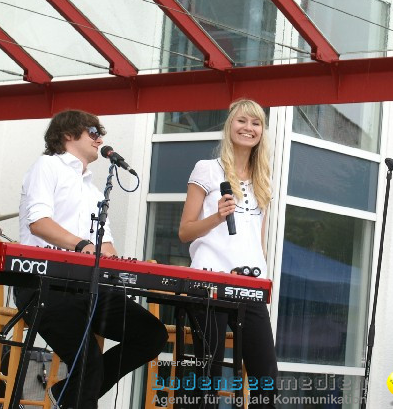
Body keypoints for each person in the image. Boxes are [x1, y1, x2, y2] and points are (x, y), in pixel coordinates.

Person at [14, 109, 167, 409]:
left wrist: (123, 265)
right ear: (68, 134)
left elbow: (105, 247)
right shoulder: (47, 166)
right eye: (94, 132)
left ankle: (69, 395)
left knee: (152, 335)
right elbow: (39, 223)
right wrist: (82, 245)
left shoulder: (95, 191)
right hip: (47, 285)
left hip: (89, 287)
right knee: (89, 363)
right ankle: (76, 393)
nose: (101, 139)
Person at [179, 99, 278, 408]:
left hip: (250, 286)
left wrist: (263, 278)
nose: (248, 128)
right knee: (207, 379)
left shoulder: (263, 180)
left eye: (256, 123)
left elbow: (257, 242)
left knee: (267, 382)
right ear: (229, 125)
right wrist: (217, 217)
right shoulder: (207, 170)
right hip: (209, 279)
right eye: (242, 121)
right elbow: (184, 232)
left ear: (262, 132)